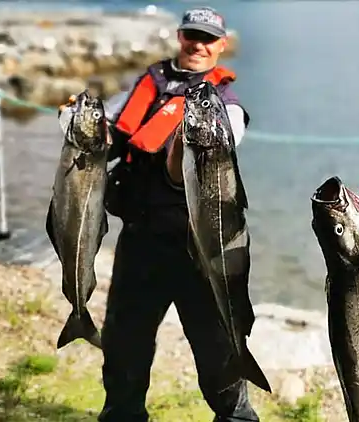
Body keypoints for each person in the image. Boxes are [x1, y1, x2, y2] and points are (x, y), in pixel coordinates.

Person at [60, 6, 259, 422]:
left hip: (199, 251)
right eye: (192, 36)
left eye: (208, 39)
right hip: (140, 242)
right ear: (179, 37)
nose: (199, 45)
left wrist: (184, 145)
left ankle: (236, 417)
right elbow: (107, 130)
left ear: (222, 46)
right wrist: (75, 118)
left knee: (217, 351)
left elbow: (221, 147)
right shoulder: (148, 82)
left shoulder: (227, 105)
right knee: (124, 348)